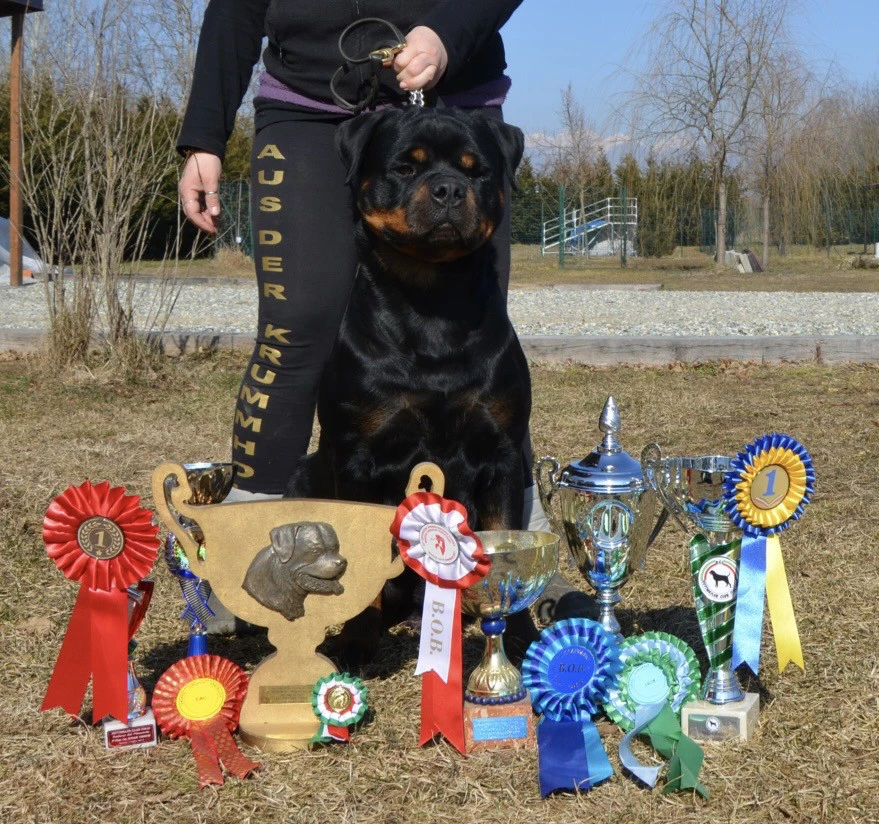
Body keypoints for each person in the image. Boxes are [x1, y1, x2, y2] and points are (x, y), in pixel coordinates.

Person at [178, 1, 593, 626]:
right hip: (310, 102)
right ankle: (244, 544)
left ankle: (518, 564)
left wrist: (446, 36)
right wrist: (206, 132)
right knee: (299, 325)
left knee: (485, 345)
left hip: (457, 94)